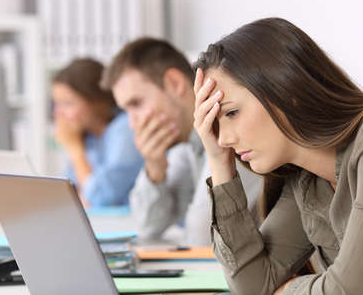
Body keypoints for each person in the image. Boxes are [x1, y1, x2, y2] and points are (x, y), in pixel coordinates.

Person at [193, 17, 363, 295]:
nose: (225, 138)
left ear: (286, 89)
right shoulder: (306, 181)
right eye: (216, 123)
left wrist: (287, 291)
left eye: (232, 113)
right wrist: (218, 162)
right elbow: (252, 285)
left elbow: (353, 290)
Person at [101, 38, 262, 245]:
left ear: (174, 83)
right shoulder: (186, 145)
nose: (133, 124)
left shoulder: (230, 132)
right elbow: (147, 227)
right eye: (126, 111)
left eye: (137, 104)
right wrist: (155, 168)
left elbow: (203, 235)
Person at [52, 58, 143, 207]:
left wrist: (75, 149)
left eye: (67, 103)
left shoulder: (126, 128)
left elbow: (100, 198)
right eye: (56, 103)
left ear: (96, 101)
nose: (58, 114)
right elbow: (69, 196)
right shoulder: (87, 137)